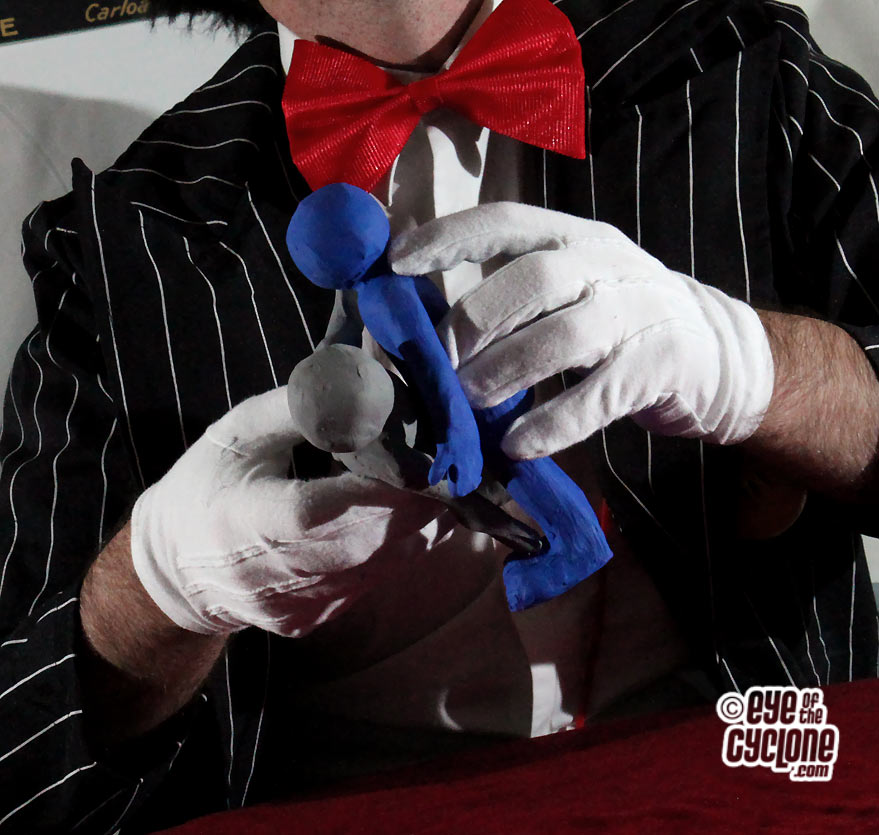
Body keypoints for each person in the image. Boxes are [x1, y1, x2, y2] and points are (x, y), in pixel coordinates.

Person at [1, 0, 878, 830]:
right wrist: (162, 585)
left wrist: (762, 368)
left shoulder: (738, 62)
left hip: (760, 768)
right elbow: (23, 754)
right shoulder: (121, 241)